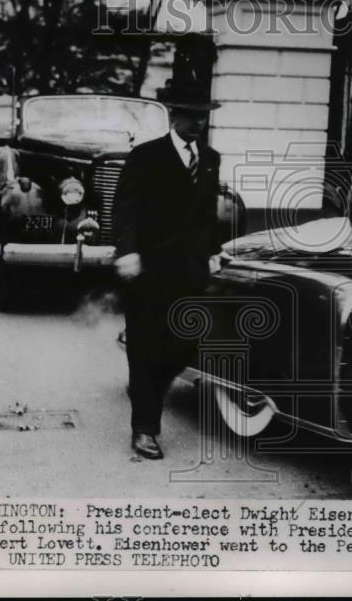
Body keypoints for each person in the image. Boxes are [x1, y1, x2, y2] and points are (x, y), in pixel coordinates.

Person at [112, 78, 223, 460]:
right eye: (192, 116)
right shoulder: (146, 155)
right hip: (148, 270)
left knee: (182, 346)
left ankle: (145, 388)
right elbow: (124, 208)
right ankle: (145, 428)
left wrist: (212, 252)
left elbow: (207, 215)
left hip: (190, 271)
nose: (199, 124)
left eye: (204, 117)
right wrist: (126, 252)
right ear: (175, 116)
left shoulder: (210, 159)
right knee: (145, 349)